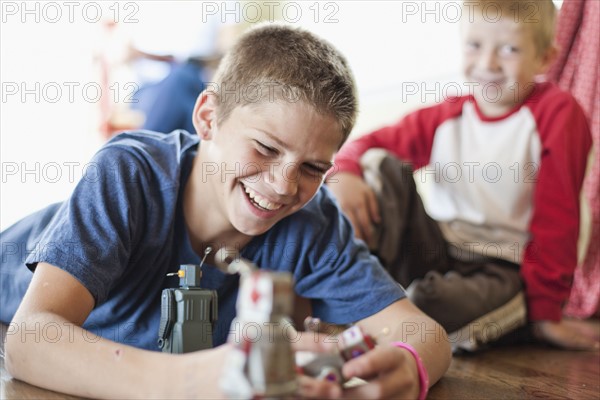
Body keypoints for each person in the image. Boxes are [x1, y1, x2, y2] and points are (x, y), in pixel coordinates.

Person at [1, 24, 451, 399]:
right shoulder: (129, 173)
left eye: (313, 167)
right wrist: (200, 378)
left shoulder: (314, 221)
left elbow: (424, 334)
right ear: (208, 117)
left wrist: (408, 367)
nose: (283, 186)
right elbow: (29, 343)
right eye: (265, 147)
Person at [327, 0, 597, 352]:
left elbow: (557, 219)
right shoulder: (448, 114)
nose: (488, 63)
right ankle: (369, 293)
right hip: (438, 246)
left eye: (510, 49)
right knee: (378, 163)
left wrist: (546, 314)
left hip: (502, 267)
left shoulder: (557, 114)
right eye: (474, 45)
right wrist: (344, 174)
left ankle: (401, 310)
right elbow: (364, 145)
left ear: (544, 59)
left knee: (429, 303)